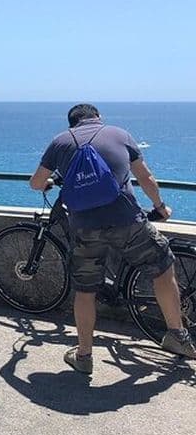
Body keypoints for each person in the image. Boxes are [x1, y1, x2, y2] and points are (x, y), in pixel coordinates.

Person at [29, 103, 196, 373]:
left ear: (72, 123)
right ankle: (177, 336)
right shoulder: (120, 134)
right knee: (163, 267)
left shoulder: (60, 142)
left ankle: (83, 357)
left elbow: (36, 183)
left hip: (84, 227)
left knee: (85, 292)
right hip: (127, 221)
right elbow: (145, 177)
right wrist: (161, 207)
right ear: (98, 118)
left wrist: (48, 183)